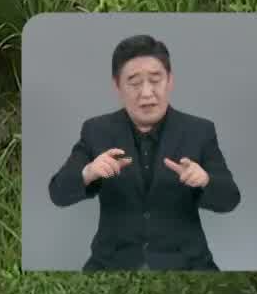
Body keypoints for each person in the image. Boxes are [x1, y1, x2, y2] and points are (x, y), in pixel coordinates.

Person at [47, 33, 241, 270]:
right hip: (112, 263)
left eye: (155, 80)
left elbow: (230, 198)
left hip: (187, 263)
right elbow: (57, 193)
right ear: (117, 86)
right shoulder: (96, 130)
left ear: (170, 81)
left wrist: (205, 180)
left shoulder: (199, 131)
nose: (146, 93)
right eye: (135, 83)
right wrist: (88, 172)